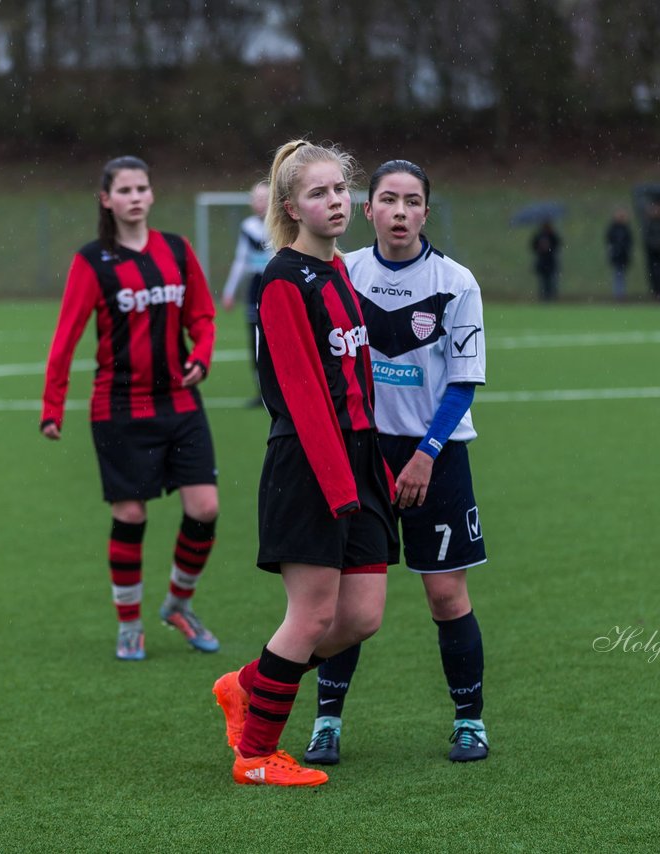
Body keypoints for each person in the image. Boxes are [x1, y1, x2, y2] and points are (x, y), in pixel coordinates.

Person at [211, 139, 398, 788]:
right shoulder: (282, 278)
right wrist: (341, 486)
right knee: (313, 616)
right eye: (318, 193)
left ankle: (246, 686)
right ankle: (255, 755)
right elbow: (301, 396)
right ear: (291, 207)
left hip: (359, 463)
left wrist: (377, 467)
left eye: (340, 190)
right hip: (310, 468)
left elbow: (357, 381)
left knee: (362, 616)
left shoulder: (341, 270)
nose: (335, 202)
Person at [302, 159, 491, 766]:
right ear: (369, 211)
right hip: (363, 453)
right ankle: (326, 720)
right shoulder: (342, 273)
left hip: (435, 455)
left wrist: (425, 455)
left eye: (413, 202)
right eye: (389, 200)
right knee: (347, 602)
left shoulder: (456, 282)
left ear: (426, 213)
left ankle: (470, 720)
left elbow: (462, 383)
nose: (401, 212)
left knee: (445, 597)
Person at [40, 156, 222, 662]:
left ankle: (178, 604)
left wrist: (201, 356)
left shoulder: (177, 251)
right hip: (119, 407)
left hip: (181, 401)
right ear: (107, 200)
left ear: (152, 194)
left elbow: (203, 316)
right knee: (131, 514)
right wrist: (53, 405)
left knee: (205, 509)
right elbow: (66, 338)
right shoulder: (92, 261)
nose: (136, 196)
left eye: (143, 187)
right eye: (125, 190)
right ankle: (128, 624)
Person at [220, 181, 272, 404]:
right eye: (256, 198)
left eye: (264, 198)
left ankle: (280, 388)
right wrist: (229, 291)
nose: (259, 203)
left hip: (275, 285)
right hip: (256, 287)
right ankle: (261, 390)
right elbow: (241, 260)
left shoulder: (282, 224)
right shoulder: (248, 226)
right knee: (255, 339)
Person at [642, 200, 660, 301]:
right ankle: (658, 293)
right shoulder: (650, 222)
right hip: (654, 252)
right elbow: (648, 237)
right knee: (655, 274)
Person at [605, 208, 633, 302]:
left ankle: (620, 294)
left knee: (621, 275)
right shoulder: (613, 228)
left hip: (623, 256)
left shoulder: (625, 228)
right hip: (617, 256)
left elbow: (629, 242)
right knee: (618, 275)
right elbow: (609, 241)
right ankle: (619, 294)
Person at [531, 220, 561, 301]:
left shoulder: (552, 235)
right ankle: (544, 297)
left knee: (552, 281)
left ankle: (552, 297)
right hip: (542, 262)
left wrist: (549, 246)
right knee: (543, 282)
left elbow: (558, 244)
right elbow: (533, 246)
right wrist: (540, 247)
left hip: (550, 262)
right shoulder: (539, 235)